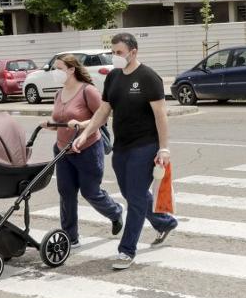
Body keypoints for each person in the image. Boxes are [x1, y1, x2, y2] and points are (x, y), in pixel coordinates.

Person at [71, 32, 177, 270]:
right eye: (113, 52)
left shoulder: (149, 77)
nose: (115, 57)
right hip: (122, 148)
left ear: (133, 52)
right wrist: (86, 133)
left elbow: (161, 116)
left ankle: (126, 250)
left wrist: (164, 148)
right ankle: (164, 222)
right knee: (131, 194)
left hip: (145, 146)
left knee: (137, 198)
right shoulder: (114, 77)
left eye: (119, 52)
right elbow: (103, 111)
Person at [44, 54, 123, 246]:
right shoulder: (58, 93)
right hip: (63, 150)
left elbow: (102, 117)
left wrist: (80, 124)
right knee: (66, 193)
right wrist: (51, 125)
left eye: (59, 68)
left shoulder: (88, 91)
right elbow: (61, 121)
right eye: (54, 68)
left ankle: (115, 212)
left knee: (90, 191)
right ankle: (70, 237)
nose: (55, 72)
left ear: (71, 70)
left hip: (87, 148)